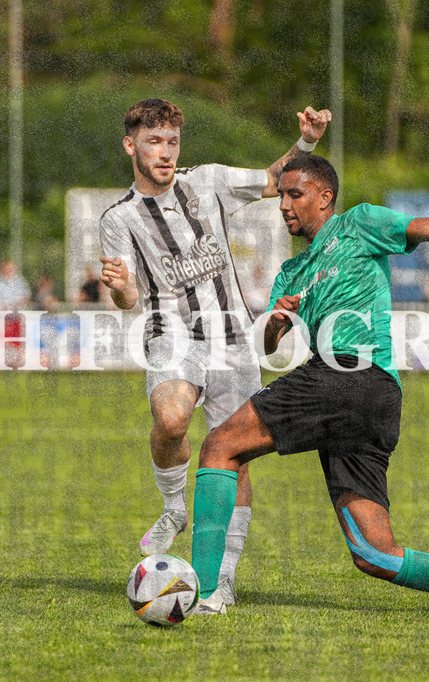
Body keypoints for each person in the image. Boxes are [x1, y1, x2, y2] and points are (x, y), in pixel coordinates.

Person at [189, 155, 429, 619]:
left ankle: (205, 593)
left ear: (325, 198)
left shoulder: (359, 224)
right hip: (369, 399)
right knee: (375, 555)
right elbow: (268, 347)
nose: (284, 205)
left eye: (295, 194)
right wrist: (276, 319)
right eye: (282, 196)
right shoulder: (291, 274)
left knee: (218, 447)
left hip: (351, 375)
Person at [100, 98, 331, 604]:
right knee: (170, 420)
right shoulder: (119, 218)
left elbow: (276, 178)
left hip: (232, 339)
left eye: (172, 142)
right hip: (171, 335)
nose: (164, 152)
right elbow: (129, 299)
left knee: (236, 456)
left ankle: (221, 579)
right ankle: (174, 506)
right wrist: (119, 287)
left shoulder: (207, 181)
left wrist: (309, 140)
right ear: (130, 145)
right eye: (154, 141)